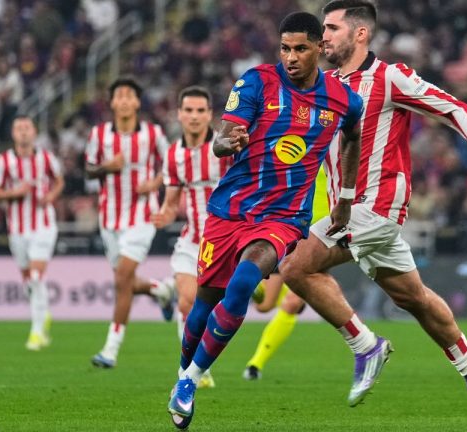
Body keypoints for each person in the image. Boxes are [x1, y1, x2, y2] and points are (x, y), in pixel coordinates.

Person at [278, 1, 467, 427]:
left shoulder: (390, 78)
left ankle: (365, 346)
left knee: (296, 266)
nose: (324, 36)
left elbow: (455, 108)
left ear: (361, 34)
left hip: (377, 207)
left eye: (332, 28)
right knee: (412, 298)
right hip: (349, 209)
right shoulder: (322, 86)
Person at [166, 12, 363, 429]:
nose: (291, 57)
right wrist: (225, 142)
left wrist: (345, 198)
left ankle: (191, 381)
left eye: (301, 48)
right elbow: (224, 137)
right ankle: (183, 373)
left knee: (242, 284)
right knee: (202, 308)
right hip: (231, 210)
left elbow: (353, 136)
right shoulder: (256, 82)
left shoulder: (343, 99)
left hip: (283, 217)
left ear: (319, 48)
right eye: (285, 48)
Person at [85, 77, 176, 368]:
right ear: (111, 103)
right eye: (119, 96)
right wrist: (105, 167)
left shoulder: (153, 133)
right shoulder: (99, 135)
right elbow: (88, 170)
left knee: (122, 277)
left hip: (142, 215)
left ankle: (111, 349)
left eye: (129, 96)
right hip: (109, 219)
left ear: (137, 102)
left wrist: (155, 182)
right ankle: (160, 290)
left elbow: (173, 165)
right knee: (124, 280)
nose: (124, 100)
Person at [152, 85, 231, 389]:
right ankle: (190, 371)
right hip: (192, 241)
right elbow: (172, 203)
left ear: (210, 115)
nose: (195, 116)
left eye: (201, 111)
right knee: (188, 303)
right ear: (179, 114)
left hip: (225, 242)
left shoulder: (224, 147)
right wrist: (163, 214)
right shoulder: (173, 155)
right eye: (189, 111)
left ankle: (198, 362)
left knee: (214, 309)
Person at [242, 167, 329, 381]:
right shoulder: (307, 145)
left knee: (292, 303)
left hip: (322, 237)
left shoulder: (344, 150)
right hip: (291, 228)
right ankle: (248, 282)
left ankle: (255, 364)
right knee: (264, 305)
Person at [0, 114, 64, 351]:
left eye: (27, 128)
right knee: (28, 282)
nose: (23, 132)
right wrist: (16, 192)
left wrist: (51, 196)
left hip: (43, 225)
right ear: (13, 134)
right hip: (17, 228)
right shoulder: (4, 161)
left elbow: (59, 181)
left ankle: (37, 332)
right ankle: (44, 313)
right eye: (19, 128)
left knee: (35, 276)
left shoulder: (45, 158)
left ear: (34, 132)